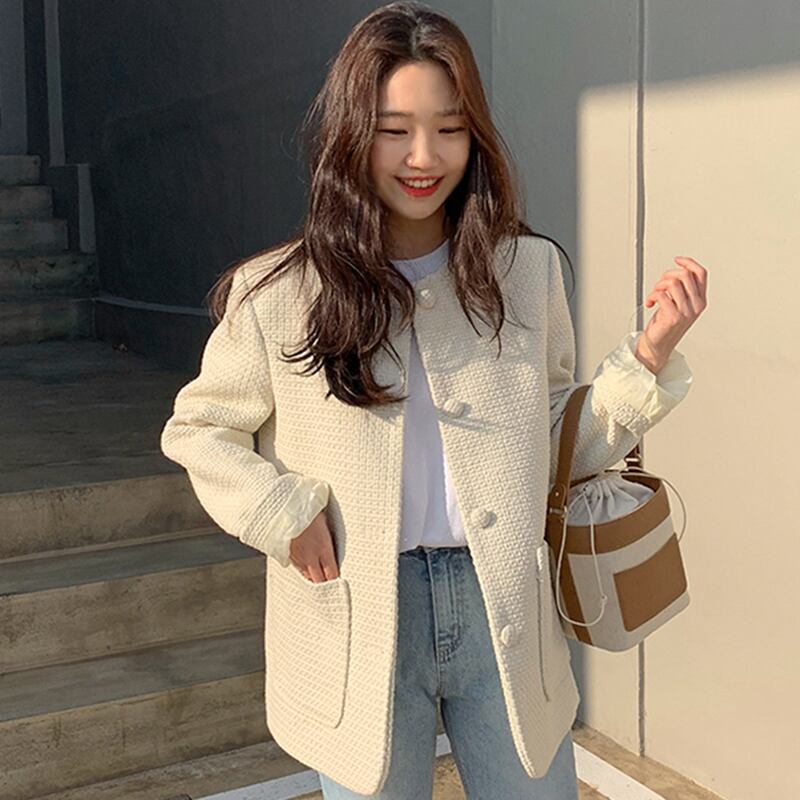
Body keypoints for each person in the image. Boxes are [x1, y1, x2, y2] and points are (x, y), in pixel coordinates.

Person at [160, 2, 708, 797]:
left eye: (449, 128)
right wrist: (280, 509)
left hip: (504, 607)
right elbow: (200, 428)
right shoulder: (277, 292)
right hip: (359, 611)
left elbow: (558, 443)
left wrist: (648, 356)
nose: (424, 156)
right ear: (352, 133)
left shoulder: (526, 273)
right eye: (394, 130)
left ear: (474, 135)